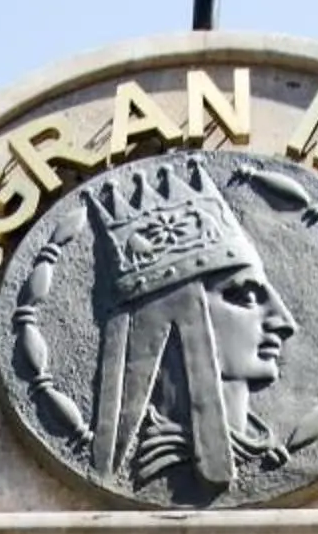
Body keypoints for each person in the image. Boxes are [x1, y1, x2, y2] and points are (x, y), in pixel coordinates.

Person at [86, 156, 298, 499]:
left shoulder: (266, 450)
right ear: (180, 316)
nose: (284, 321)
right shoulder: (159, 472)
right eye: (244, 296)